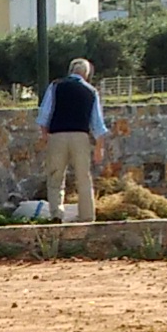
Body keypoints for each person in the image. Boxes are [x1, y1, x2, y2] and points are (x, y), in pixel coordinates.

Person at [35, 56, 107, 222]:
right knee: (83, 178)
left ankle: (56, 214)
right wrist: (98, 147)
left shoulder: (55, 86)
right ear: (86, 74)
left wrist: (45, 135)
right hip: (80, 136)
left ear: (71, 71)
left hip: (57, 135)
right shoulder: (91, 92)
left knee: (55, 178)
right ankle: (87, 216)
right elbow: (98, 124)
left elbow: (44, 114)